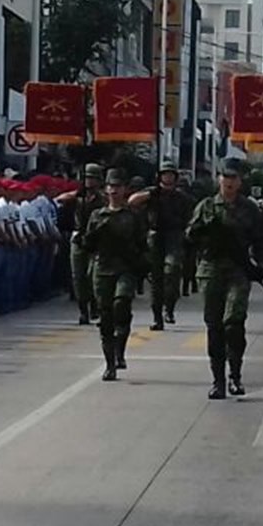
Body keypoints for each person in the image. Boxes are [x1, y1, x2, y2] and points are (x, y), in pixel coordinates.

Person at [185, 158, 263, 399]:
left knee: (233, 322)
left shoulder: (249, 209)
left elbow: (260, 240)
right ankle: (218, 380)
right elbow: (190, 235)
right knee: (214, 326)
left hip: (238, 270)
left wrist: (262, 265)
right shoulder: (206, 206)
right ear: (219, 179)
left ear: (240, 182)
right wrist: (201, 231)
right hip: (210, 269)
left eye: (233, 178)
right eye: (225, 177)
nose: (229, 182)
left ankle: (235, 376)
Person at [85, 177, 151, 381]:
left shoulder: (133, 216)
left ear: (124, 190)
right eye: (110, 187)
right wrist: (96, 233)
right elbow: (87, 244)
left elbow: (142, 243)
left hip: (125, 268)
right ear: (106, 190)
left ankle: (119, 350)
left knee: (121, 304)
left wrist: (142, 264)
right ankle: (110, 364)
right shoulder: (97, 215)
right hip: (103, 268)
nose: (114, 191)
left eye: (117, 187)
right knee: (105, 316)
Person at [139, 163, 195, 331]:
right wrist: (151, 193)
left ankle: (169, 309)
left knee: (172, 271)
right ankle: (157, 317)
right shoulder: (152, 193)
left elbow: (190, 218)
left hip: (174, 236)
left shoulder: (182, 197)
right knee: (156, 280)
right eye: (165, 174)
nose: (168, 177)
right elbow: (132, 201)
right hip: (156, 237)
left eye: (171, 174)